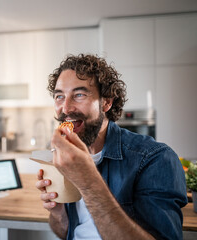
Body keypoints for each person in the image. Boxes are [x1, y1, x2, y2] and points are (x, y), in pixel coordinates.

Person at [35, 54, 187, 240]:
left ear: (107, 102)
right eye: (59, 96)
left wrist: (88, 182)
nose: (65, 108)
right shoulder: (63, 156)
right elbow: (66, 232)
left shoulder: (155, 158)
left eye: (79, 95)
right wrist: (58, 213)